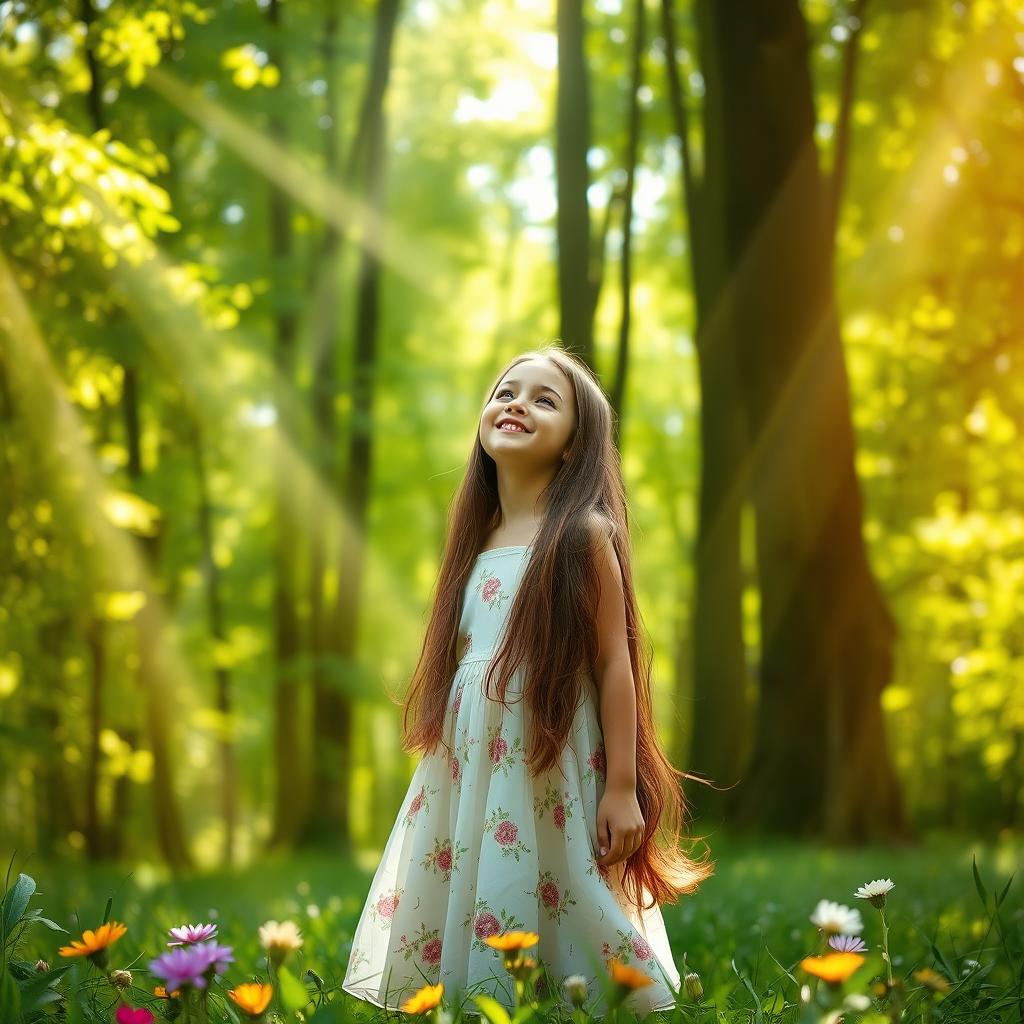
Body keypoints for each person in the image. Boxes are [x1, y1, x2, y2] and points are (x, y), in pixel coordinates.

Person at [342, 346, 714, 1018]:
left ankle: (591, 993)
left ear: (575, 447)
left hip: (550, 742)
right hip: (470, 753)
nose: (516, 404)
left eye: (545, 400)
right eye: (507, 391)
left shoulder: (583, 535)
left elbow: (613, 663)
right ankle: (475, 996)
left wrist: (624, 785)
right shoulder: (474, 537)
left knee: (560, 873)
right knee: (472, 872)